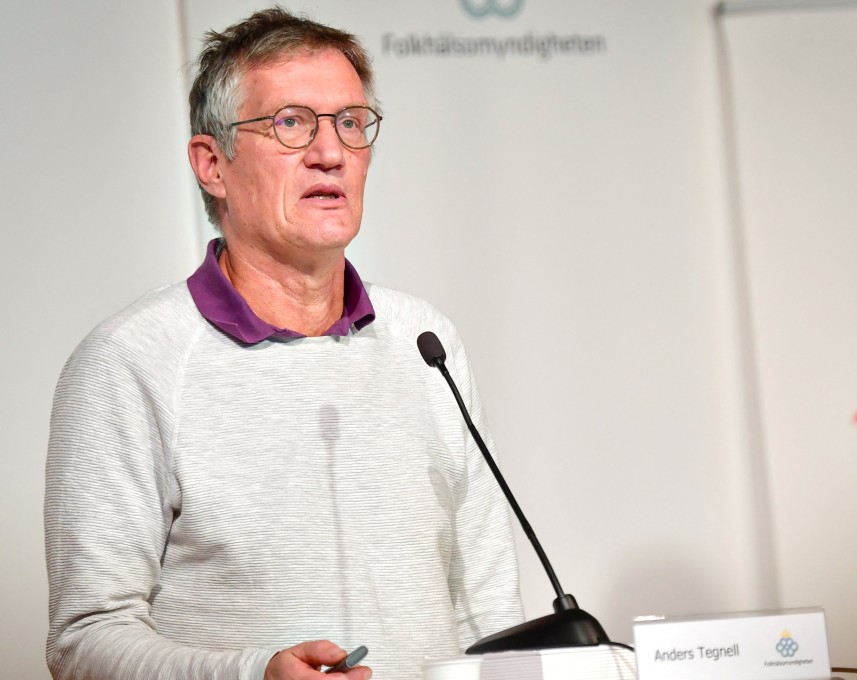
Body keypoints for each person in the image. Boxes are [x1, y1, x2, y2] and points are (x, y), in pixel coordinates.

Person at [44, 8, 524, 680]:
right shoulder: (130, 359)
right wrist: (251, 674)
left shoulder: (426, 340)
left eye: (351, 123)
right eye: (291, 123)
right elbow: (84, 640)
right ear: (213, 164)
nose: (331, 152)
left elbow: (488, 608)